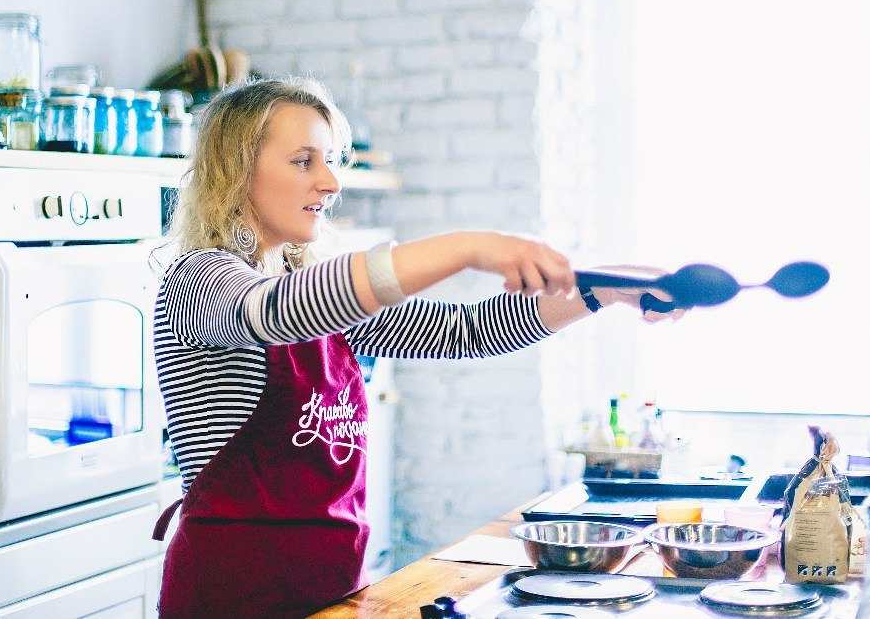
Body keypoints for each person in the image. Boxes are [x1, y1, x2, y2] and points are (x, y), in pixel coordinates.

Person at [151, 77, 682, 618]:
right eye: (304, 161)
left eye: (331, 160)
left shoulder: (307, 289)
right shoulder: (200, 280)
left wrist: (606, 290)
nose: (331, 182)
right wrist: (471, 248)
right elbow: (275, 312)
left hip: (329, 588)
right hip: (233, 595)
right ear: (236, 171)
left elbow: (467, 332)